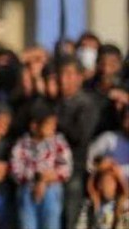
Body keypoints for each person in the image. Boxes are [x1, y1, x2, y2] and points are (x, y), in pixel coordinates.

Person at [56, 56, 103, 229]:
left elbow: (80, 136)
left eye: (69, 74)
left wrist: (56, 122)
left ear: (79, 77)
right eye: (61, 74)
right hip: (51, 169)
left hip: (74, 169)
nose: (63, 79)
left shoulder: (87, 103)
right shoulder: (54, 101)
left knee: (70, 218)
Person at [11, 101, 73, 229]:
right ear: (34, 126)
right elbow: (16, 171)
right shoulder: (22, 144)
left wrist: (44, 180)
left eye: (54, 124)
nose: (53, 127)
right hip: (28, 190)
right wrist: (37, 178)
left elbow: (66, 170)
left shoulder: (58, 142)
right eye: (49, 124)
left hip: (51, 188)